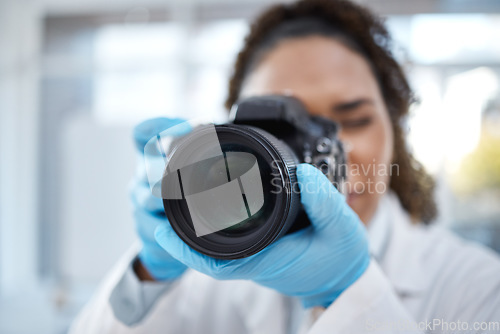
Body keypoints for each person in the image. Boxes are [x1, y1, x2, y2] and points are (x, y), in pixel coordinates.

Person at [69, 0, 500, 333]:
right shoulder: (208, 270)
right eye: (278, 132)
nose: (325, 154)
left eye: (353, 119)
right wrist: (148, 274)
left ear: (396, 131)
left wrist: (348, 293)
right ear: (236, 139)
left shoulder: (479, 288)